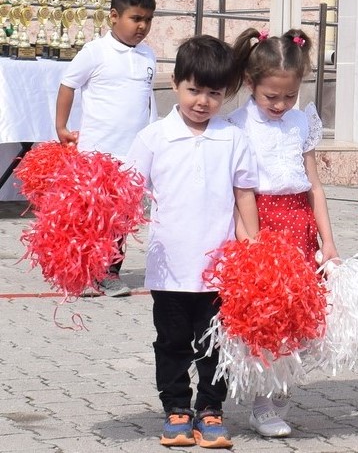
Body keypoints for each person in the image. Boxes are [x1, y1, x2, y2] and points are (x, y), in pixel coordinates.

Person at [125, 35, 259, 449]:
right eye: (194, 90)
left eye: (214, 94)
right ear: (175, 83)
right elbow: (128, 190)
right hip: (168, 269)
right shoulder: (153, 137)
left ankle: (211, 410)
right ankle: (177, 410)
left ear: (227, 93)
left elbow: (244, 194)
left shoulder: (233, 138)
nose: (202, 102)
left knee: (216, 344)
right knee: (171, 342)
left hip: (219, 269)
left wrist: (253, 248)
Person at [226, 27, 337, 439]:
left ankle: (281, 385)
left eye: (289, 96)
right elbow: (237, 192)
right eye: (271, 96)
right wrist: (250, 242)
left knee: (301, 316)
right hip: (261, 226)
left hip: (299, 226)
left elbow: (315, 187)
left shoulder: (301, 122)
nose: (280, 104)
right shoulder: (238, 125)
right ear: (250, 83)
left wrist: (328, 241)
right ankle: (261, 403)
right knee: (267, 317)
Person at [54, 0, 156, 298]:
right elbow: (68, 84)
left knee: (120, 218)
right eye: (135, 18)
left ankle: (110, 272)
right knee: (92, 216)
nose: (142, 26)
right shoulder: (95, 52)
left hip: (131, 156)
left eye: (148, 20)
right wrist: (61, 127)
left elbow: (147, 101)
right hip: (97, 155)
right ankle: (84, 273)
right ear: (114, 16)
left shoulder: (148, 56)